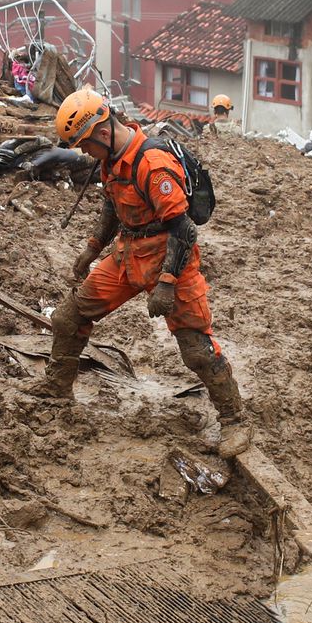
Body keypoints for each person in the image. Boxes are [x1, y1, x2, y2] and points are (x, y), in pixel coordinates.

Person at [36, 89, 252, 458]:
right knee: (69, 318)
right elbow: (112, 203)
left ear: (102, 132)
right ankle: (56, 389)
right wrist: (92, 247)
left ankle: (235, 421)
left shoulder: (152, 163)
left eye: (86, 145)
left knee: (196, 350)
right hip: (127, 253)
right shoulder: (113, 159)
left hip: (171, 258)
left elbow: (185, 230)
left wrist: (167, 283)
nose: (85, 153)